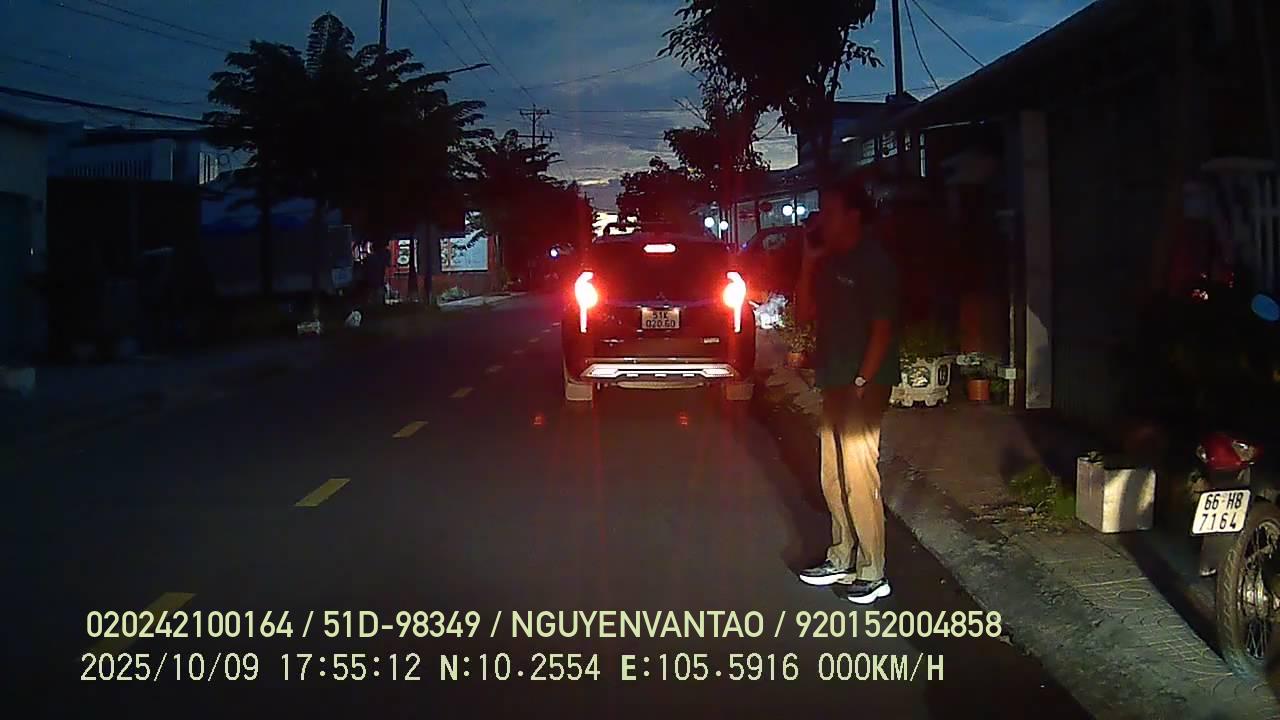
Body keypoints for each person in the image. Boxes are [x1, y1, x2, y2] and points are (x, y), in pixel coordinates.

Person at [792, 182, 901, 605]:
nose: (823, 220)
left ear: (853, 215)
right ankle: (842, 554)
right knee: (832, 475)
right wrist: (808, 262)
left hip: (863, 385)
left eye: (830, 211)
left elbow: (882, 327)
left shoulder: (874, 261)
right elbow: (804, 314)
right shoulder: (830, 262)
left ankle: (873, 570)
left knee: (858, 476)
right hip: (834, 380)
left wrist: (862, 380)